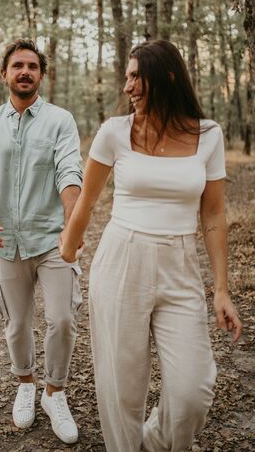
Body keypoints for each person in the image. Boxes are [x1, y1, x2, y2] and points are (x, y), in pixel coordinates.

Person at [60, 39, 243, 452]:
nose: (127, 86)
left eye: (135, 76)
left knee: (193, 390)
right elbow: (87, 201)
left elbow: (213, 215)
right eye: (126, 77)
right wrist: (67, 253)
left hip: (180, 265)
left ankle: (155, 442)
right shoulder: (115, 132)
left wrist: (221, 288)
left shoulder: (208, 135)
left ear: (169, 76)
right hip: (122, 258)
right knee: (122, 386)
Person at [0, 39, 83, 444]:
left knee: (62, 319)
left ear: (41, 75)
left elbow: (69, 173)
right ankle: (26, 385)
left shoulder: (60, 120)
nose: (25, 71)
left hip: (52, 240)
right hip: (5, 242)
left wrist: (72, 223)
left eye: (32, 66)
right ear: (5, 74)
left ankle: (55, 392)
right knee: (17, 326)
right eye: (17, 65)